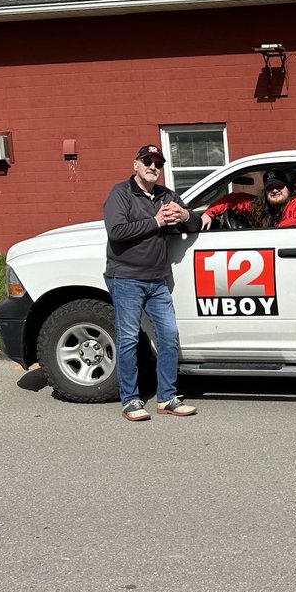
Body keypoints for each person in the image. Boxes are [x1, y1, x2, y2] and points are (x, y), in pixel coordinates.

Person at [103, 143, 198, 421]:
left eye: (158, 163)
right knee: (129, 339)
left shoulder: (167, 195)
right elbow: (117, 231)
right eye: (147, 161)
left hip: (157, 279)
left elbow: (193, 222)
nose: (153, 166)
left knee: (169, 336)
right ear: (135, 164)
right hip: (126, 278)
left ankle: (167, 397)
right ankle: (130, 400)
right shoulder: (121, 193)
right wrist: (156, 221)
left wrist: (184, 215)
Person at [200, 169, 296, 230]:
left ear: (288, 188)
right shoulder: (260, 205)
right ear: (265, 191)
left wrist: (276, 228)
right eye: (270, 188)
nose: (274, 191)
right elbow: (233, 200)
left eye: (279, 186)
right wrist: (209, 213)